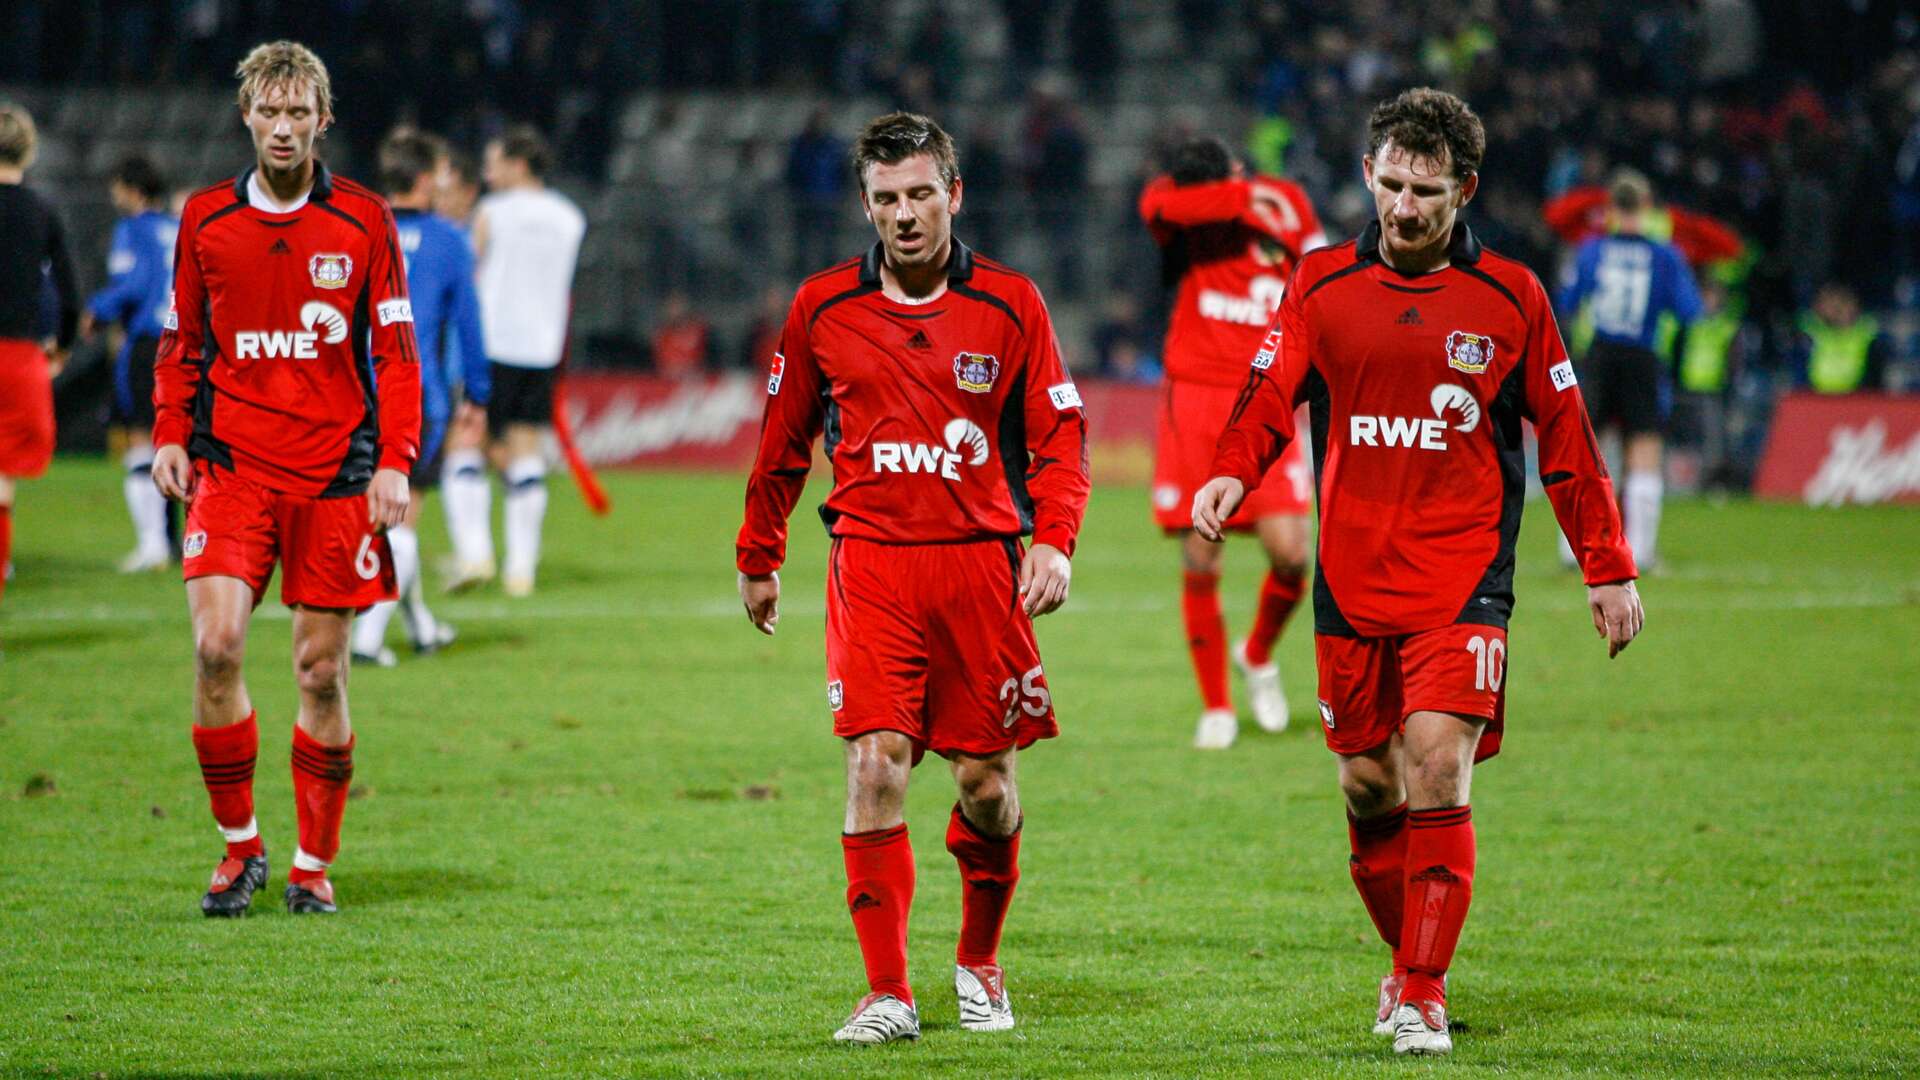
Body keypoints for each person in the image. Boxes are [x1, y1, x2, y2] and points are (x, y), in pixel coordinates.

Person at [1192, 88, 1644, 1057]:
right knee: (1367, 785)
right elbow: (1267, 393)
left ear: (1464, 189)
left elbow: (1565, 439)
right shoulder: (1318, 285)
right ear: (1367, 175)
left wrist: (1606, 567)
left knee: (1436, 767)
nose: (1403, 207)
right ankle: (1406, 962)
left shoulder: (1512, 297)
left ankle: (1425, 992)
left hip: (1463, 575)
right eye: (1390, 184)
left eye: (1425, 192)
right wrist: (1230, 473)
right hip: (1352, 579)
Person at [736, 112, 1089, 1045]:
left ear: (954, 194)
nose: (903, 214)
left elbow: (1059, 438)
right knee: (874, 764)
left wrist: (1054, 540)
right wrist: (758, 552)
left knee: (987, 786)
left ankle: (979, 961)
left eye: (920, 194)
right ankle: (887, 991)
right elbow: (783, 442)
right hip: (874, 567)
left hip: (982, 571)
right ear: (865, 204)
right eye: (886, 199)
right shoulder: (822, 307)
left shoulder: (1013, 304)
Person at [152, 41, 420, 917]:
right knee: (216, 646)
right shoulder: (204, 221)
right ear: (246, 116)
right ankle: (240, 849)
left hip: (335, 478)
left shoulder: (365, 221)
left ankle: (312, 862)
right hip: (230, 470)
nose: (282, 127)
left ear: (323, 121)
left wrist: (393, 462)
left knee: (320, 674)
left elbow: (396, 353)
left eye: (298, 113)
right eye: (268, 112)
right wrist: (169, 433)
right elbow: (181, 342)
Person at [1139, 134, 1326, 749]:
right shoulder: (1188, 207)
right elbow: (1161, 206)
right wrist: (1243, 196)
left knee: (1293, 555)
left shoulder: (1286, 202)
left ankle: (1256, 653)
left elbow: (1318, 259)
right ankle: (1216, 706)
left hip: (1264, 392)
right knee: (1201, 552)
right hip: (1195, 395)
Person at [350, 129, 487, 667]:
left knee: (380, 512)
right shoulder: (450, 239)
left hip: (355, 393)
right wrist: (477, 390)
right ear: (427, 179)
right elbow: (468, 323)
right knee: (402, 517)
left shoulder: (357, 229)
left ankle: (421, 627)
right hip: (416, 395)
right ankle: (366, 640)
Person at [440, 126, 584, 598]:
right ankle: (520, 570)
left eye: (494, 161)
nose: (486, 171)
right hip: (542, 348)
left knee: (464, 446)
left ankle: (475, 553)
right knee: (526, 450)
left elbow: (466, 268)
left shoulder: (491, 212)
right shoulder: (570, 217)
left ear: (518, 165)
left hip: (491, 344)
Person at [1559, 169, 1701, 569]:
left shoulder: (1591, 250)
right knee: (1644, 453)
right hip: (1641, 357)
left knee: (1590, 454)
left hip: (1600, 356)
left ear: (1610, 208)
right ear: (1646, 206)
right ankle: (1639, 552)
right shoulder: (1665, 255)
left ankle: (1574, 550)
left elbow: (1567, 302)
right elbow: (1690, 311)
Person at [0, 102, 80, 638]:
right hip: (20, 357)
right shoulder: (42, 211)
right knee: (2, 479)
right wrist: (63, 348)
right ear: (29, 150)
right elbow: (71, 295)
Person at [82, 154, 179, 573]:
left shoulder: (132, 230)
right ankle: (178, 542)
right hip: (187, 342)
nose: (114, 194)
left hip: (147, 344)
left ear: (133, 190)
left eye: (118, 186)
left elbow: (134, 283)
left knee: (142, 440)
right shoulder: (179, 227)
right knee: (178, 443)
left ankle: (153, 544)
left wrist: (97, 310)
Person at [1796, 282, 1890, 394]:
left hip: (1858, 396)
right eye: (1825, 303)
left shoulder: (1867, 329)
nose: (1834, 309)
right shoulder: (1811, 328)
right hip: (1816, 397)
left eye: (1839, 304)